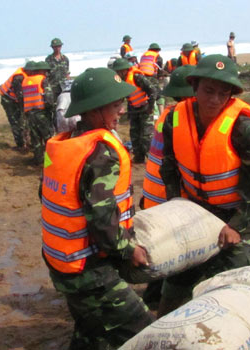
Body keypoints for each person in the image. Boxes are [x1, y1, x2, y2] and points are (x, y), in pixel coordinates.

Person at [41, 67, 155, 349]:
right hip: (88, 271)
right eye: (116, 106)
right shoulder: (100, 154)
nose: (121, 112)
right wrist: (130, 251)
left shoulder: (63, 145)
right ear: (94, 109)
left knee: (93, 331)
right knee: (143, 330)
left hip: (61, 262)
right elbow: (102, 220)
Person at [158, 54, 250, 316]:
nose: (215, 99)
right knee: (176, 283)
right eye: (208, 91)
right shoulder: (174, 119)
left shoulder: (244, 128)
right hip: (194, 210)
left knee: (237, 283)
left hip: (237, 213)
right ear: (194, 87)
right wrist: (176, 205)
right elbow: (168, 166)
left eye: (223, 93)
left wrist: (238, 224)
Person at [140, 65, 195, 308]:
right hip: (166, 199)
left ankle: (152, 297)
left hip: (151, 197)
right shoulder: (182, 119)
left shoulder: (167, 115)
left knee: (161, 253)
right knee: (179, 258)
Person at [112, 58, 158, 163]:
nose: (118, 73)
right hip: (134, 110)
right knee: (134, 135)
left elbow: (152, 90)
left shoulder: (137, 77)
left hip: (145, 108)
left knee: (146, 136)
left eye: (119, 71)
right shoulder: (120, 81)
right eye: (116, 71)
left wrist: (150, 107)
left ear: (125, 70)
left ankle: (152, 159)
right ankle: (138, 157)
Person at [22, 61, 55, 165]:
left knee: (35, 138)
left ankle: (38, 159)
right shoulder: (43, 80)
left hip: (29, 114)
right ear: (41, 70)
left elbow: (23, 98)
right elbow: (49, 99)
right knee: (48, 138)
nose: (46, 73)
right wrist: (52, 110)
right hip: (42, 114)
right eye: (45, 71)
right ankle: (50, 162)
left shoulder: (25, 81)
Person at [0, 62, 29, 152]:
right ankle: (20, 145)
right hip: (8, 100)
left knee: (22, 121)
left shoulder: (27, 75)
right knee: (15, 121)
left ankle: (26, 142)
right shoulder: (18, 78)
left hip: (15, 99)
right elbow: (20, 97)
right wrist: (25, 110)